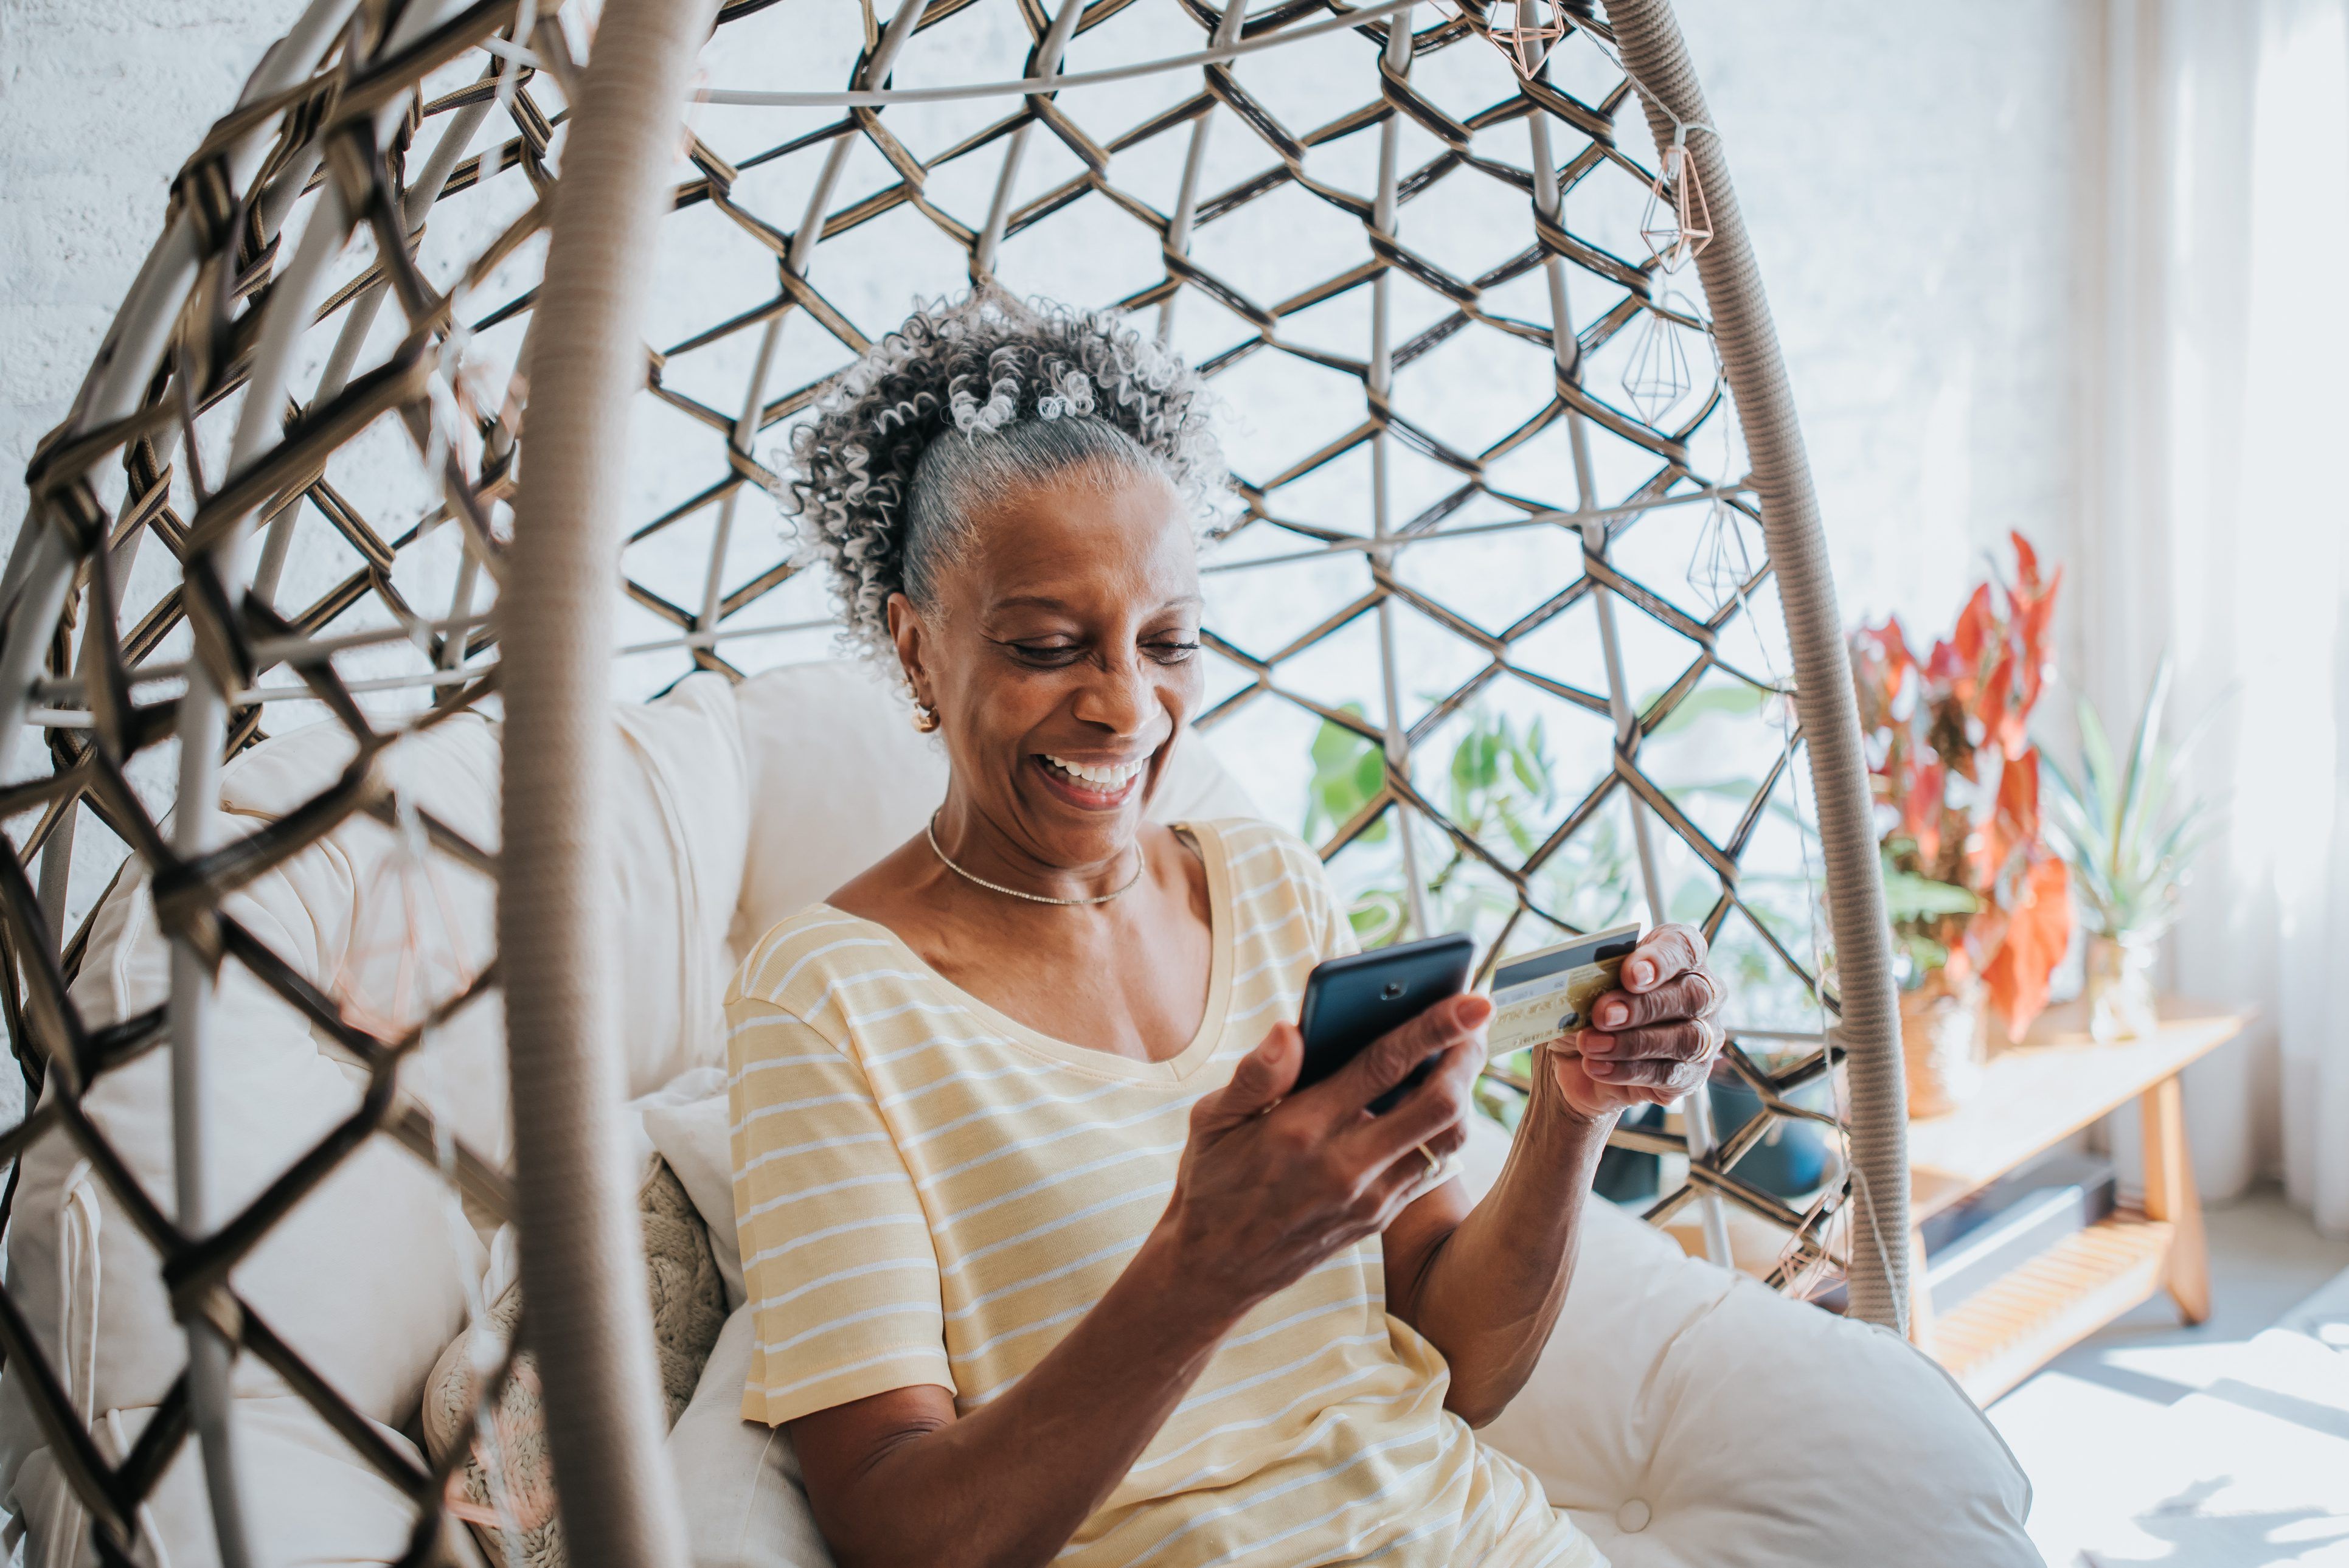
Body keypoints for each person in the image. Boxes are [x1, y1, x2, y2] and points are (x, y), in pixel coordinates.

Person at [726, 292, 1726, 1568]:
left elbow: (1455, 1360)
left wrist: (1570, 1108)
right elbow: (903, 1533)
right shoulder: (823, 998)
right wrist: (1204, 1267)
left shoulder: (1262, 885)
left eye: (1169, 641)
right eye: (1046, 644)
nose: (1123, 706)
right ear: (916, 650)